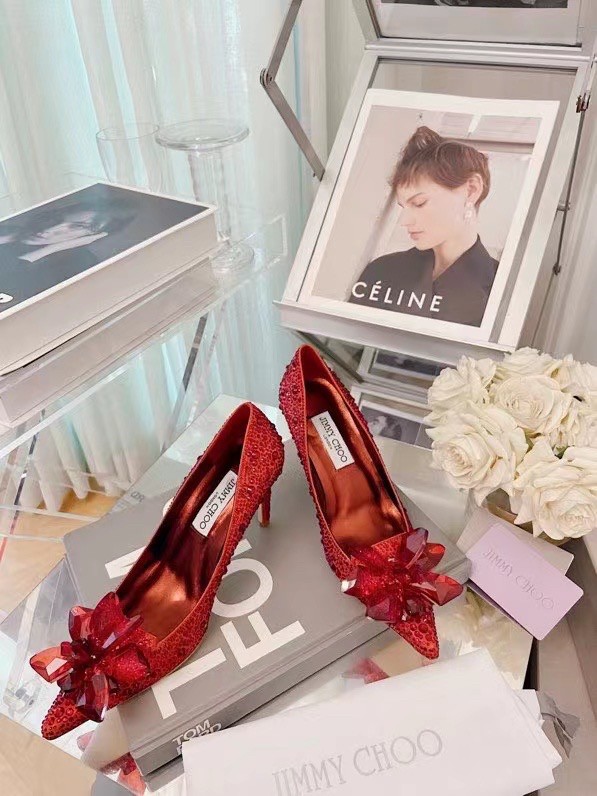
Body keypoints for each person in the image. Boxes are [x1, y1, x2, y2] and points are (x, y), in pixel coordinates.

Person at [349, 126, 498, 327]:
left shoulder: (503, 291)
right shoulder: (381, 271)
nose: (404, 221)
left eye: (419, 203)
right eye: (403, 206)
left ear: (471, 190)